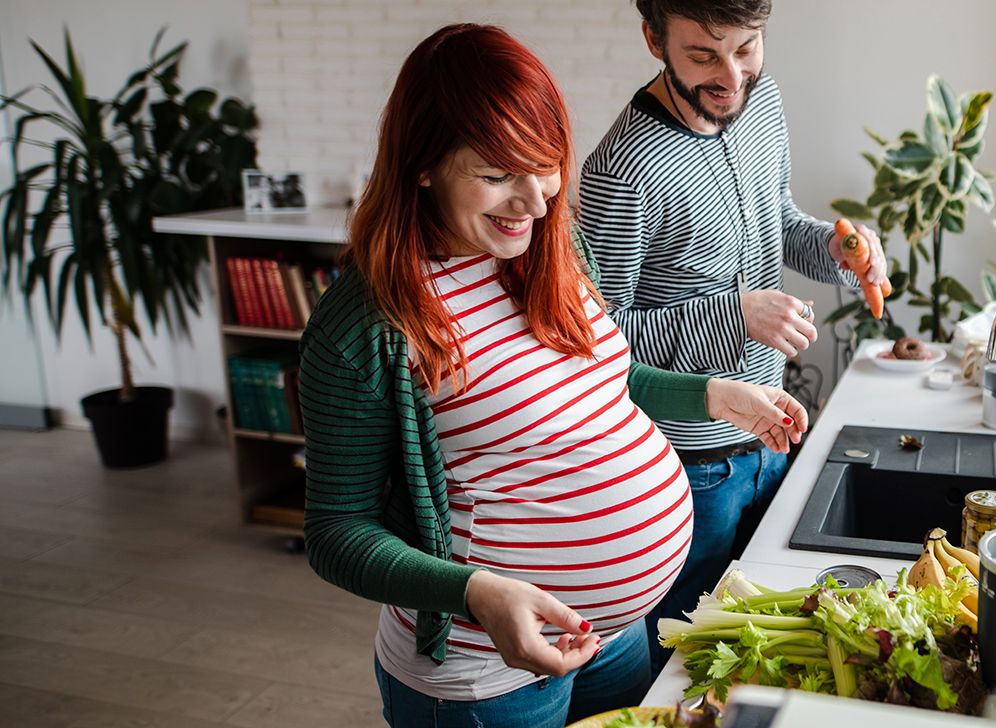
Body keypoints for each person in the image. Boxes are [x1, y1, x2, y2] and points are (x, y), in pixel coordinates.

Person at [297, 24, 808, 728]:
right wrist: (479, 593)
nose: (535, 203)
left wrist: (713, 395)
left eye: (546, 166)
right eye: (497, 175)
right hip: (488, 670)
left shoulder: (550, 248)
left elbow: (601, 383)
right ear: (421, 164)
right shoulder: (367, 326)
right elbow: (336, 530)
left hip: (616, 638)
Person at [578, 0, 888, 673]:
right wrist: (734, 315)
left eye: (747, 48)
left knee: (753, 659)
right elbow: (594, 347)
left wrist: (842, 250)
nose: (732, 76)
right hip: (687, 473)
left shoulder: (763, 100)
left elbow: (777, 222)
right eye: (703, 55)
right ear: (652, 38)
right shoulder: (620, 170)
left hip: (772, 443)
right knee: (680, 665)